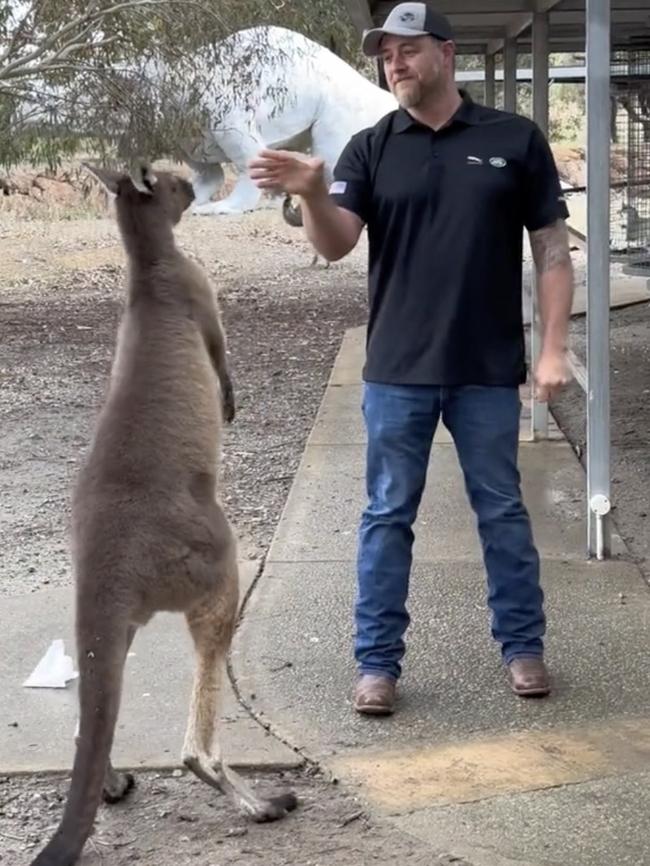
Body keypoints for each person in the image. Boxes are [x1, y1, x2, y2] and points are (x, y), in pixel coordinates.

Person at [249, 2, 574, 716]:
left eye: (407, 49)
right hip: (396, 370)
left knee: (503, 513)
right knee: (387, 515)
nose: (394, 62)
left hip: (486, 368)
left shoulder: (512, 138)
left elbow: (551, 249)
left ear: (446, 53)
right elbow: (334, 245)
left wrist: (552, 348)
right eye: (385, 53)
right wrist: (309, 193)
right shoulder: (371, 147)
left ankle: (523, 649)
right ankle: (377, 665)